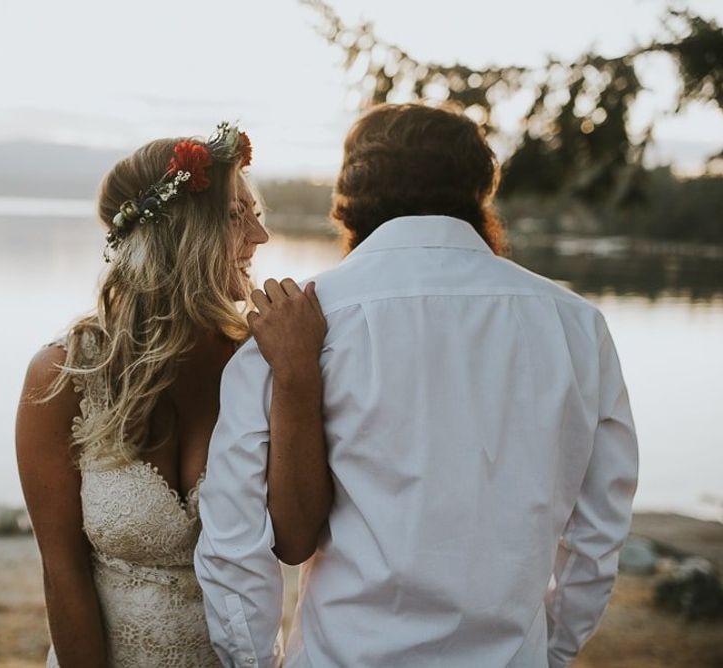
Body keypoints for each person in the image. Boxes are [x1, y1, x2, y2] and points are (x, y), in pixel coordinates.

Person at [195, 103, 639, 667]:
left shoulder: (292, 319)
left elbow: (234, 538)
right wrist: (548, 652)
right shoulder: (576, 326)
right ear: (479, 192)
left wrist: (252, 661)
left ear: (348, 199)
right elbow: (598, 532)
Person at [14, 122, 330, 667]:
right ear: (181, 233)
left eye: (257, 213)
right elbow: (63, 570)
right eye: (237, 215)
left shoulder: (260, 362)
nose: (260, 236)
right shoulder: (62, 376)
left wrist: (299, 380)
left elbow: (296, 541)